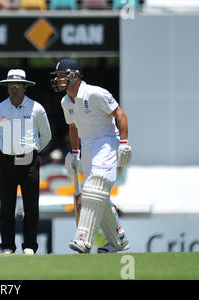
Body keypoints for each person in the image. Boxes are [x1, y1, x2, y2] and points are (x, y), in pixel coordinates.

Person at [51, 58, 132, 254]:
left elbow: (120, 114)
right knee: (98, 196)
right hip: (87, 147)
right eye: (58, 76)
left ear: (75, 76)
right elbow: (73, 127)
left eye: (62, 75)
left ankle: (83, 238)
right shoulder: (65, 102)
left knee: (93, 189)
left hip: (106, 142)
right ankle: (118, 241)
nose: (59, 79)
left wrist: (123, 143)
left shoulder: (96, 93)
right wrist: (74, 153)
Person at [0, 69, 52, 255]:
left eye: (17, 86)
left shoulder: (37, 109)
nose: (14, 89)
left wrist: (33, 150)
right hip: (7, 161)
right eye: (11, 86)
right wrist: (2, 151)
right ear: (7, 87)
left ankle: (30, 246)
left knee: (31, 207)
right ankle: (8, 246)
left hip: (29, 161)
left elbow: (46, 135)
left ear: (25, 87)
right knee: (6, 207)